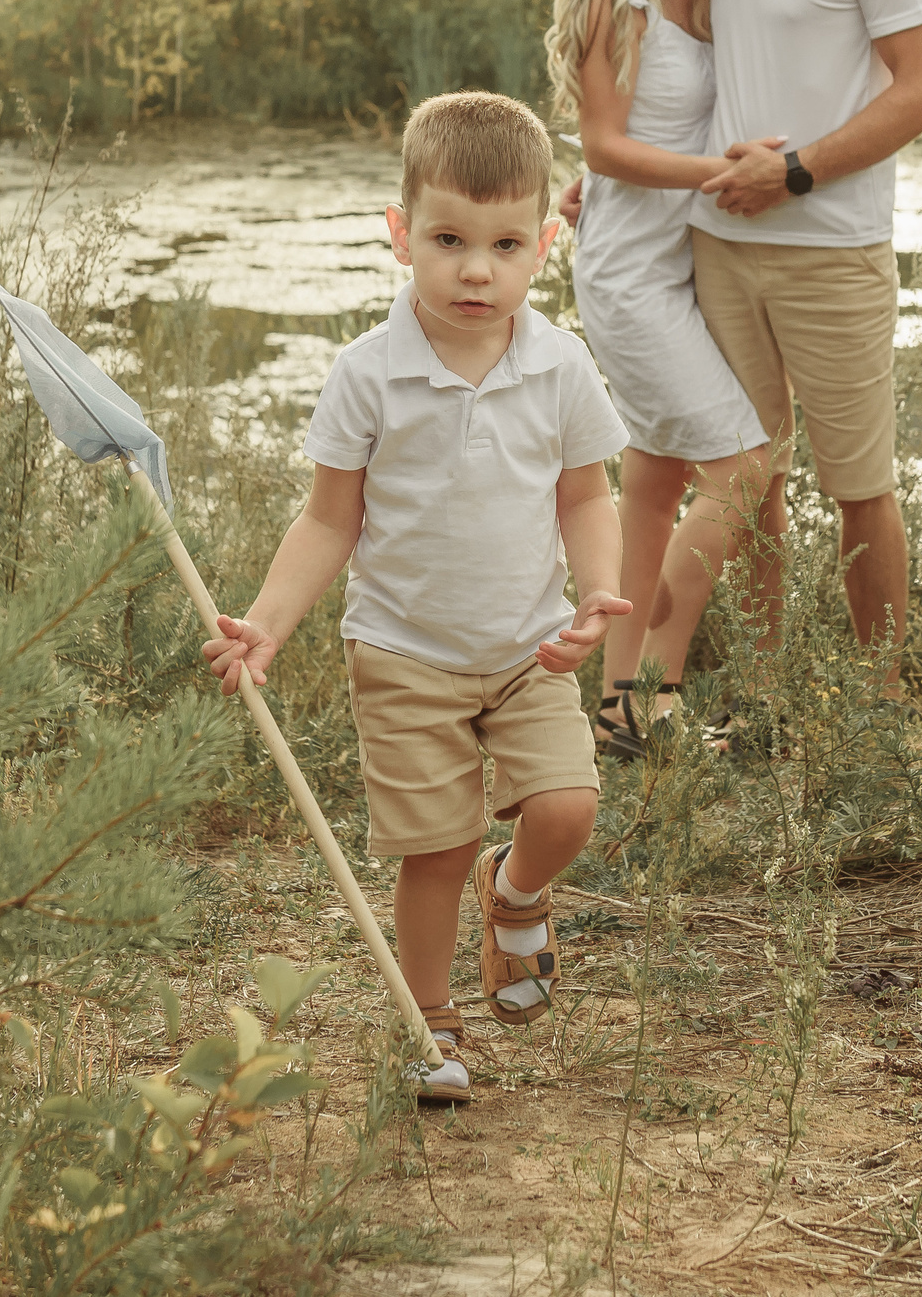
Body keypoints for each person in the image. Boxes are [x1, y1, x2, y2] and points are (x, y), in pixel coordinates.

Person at [200, 90, 630, 1107]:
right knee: (434, 847)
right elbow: (328, 521)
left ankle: (514, 889)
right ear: (401, 235)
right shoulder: (368, 373)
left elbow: (585, 494)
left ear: (545, 245)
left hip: (528, 645)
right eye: (448, 240)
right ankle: (428, 1017)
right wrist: (266, 623)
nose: (477, 269)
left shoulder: (561, 364)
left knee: (568, 806)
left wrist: (599, 591)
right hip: (403, 650)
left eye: (505, 244)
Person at [690, 0, 922, 656]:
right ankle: (763, 694)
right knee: (746, 477)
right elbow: (703, 89)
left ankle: (879, 701)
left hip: (834, 250)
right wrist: (611, 185)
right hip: (722, 250)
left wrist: (795, 171)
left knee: (859, 486)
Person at [540, 0, 776, 759]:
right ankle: (652, 699)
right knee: (743, 466)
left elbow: (650, 129)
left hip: (687, 262)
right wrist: (717, 173)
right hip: (631, 277)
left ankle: (616, 710)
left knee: (654, 482)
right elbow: (606, 143)